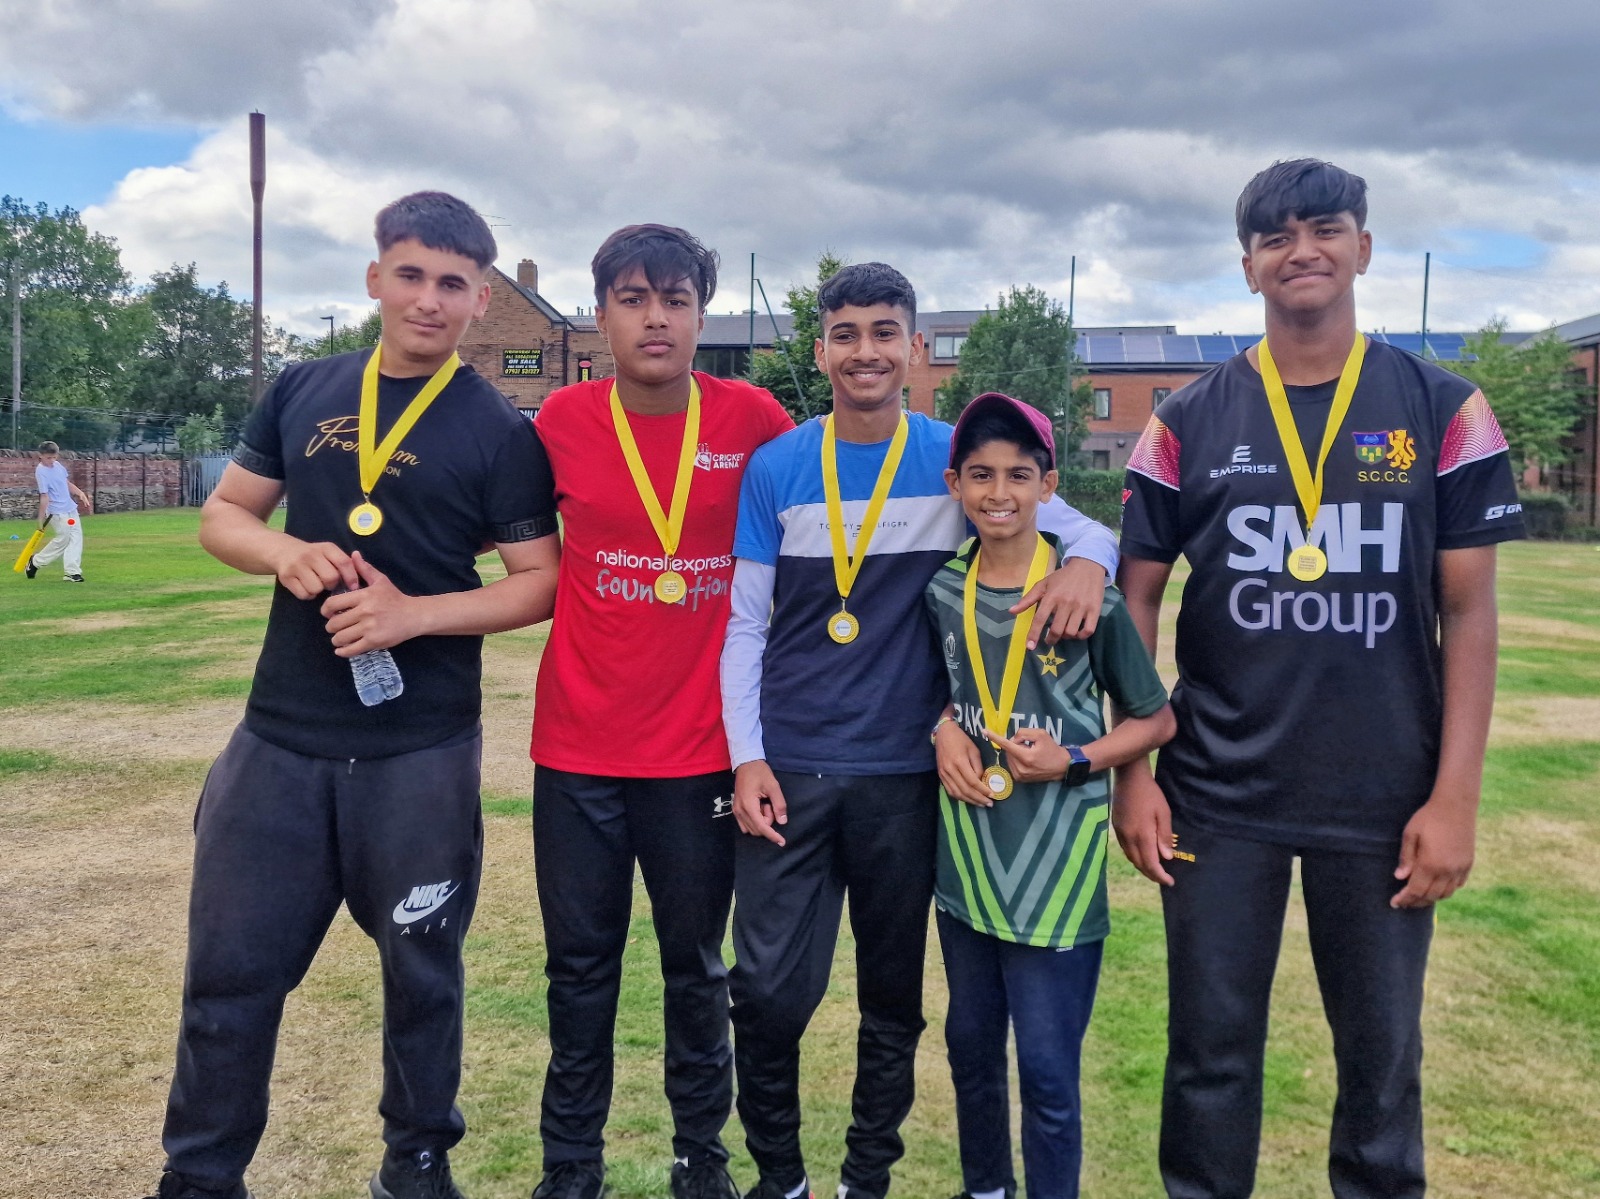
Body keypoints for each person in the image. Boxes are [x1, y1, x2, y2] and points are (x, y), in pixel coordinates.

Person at [1114, 159, 1526, 1199]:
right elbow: (1136, 599)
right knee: (1208, 1056)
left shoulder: (1442, 407)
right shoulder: (1186, 418)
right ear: (1247, 262)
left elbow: (1469, 610)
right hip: (1217, 790)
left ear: (1361, 248)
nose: (1301, 249)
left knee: (1380, 1068)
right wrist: (1134, 770)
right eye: (1275, 235)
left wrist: (1454, 796)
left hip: (1383, 794)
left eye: (1323, 228)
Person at [143, 191, 560, 1199]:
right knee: (230, 977)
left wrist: (414, 614)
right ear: (375, 277)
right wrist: (284, 550)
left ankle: (415, 1166)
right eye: (410, 274)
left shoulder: (500, 429)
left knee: (423, 974)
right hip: (277, 740)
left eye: (453, 283)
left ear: (477, 302)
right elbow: (226, 515)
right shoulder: (303, 387)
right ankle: (200, 1174)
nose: (429, 299)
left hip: (419, 749)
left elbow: (539, 580)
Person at [721, 262, 1119, 1199]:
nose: (866, 349)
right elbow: (745, 622)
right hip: (791, 769)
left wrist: (1089, 568)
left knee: (892, 999)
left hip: (908, 775)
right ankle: (780, 1178)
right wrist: (746, 754)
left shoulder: (957, 460)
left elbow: (1085, 528)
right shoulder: (778, 464)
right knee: (769, 995)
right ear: (819, 350)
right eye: (847, 331)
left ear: (915, 347)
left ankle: (868, 1179)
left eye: (884, 331)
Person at [526, 224, 794, 1199]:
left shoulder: (755, 418)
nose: (655, 317)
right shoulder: (557, 420)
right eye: (633, 298)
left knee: (697, 973)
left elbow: (876, 479)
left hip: (699, 756)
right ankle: (569, 1170)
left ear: (699, 315)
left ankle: (701, 1162)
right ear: (599, 314)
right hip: (579, 750)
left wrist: (1080, 545)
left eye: (675, 299)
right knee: (579, 972)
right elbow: (470, 523)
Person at [924, 392, 1175, 1199]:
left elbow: (1156, 717)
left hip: (1058, 872)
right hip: (965, 862)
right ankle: (986, 1186)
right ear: (955, 483)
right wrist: (941, 729)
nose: (1000, 492)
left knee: (1047, 1071)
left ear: (1048, 483)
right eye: (982, 475)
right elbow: (929, 689)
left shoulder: (1087, 598)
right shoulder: (941, 587)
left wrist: (1072, 758)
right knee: (970, 1048)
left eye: (1019, 475)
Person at [26, 440, 92, 581]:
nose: (52, 461)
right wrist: (40, 519)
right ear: (41, 455)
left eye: (54, 457)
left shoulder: (58, 466)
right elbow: (44, 496)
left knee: (76, 538)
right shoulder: (41, 472)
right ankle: (35, 562)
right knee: (63, 538)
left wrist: (80, 493)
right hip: (57, 512)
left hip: (70, 509)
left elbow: (66, 483)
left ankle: (72, 572)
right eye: (48, 458)